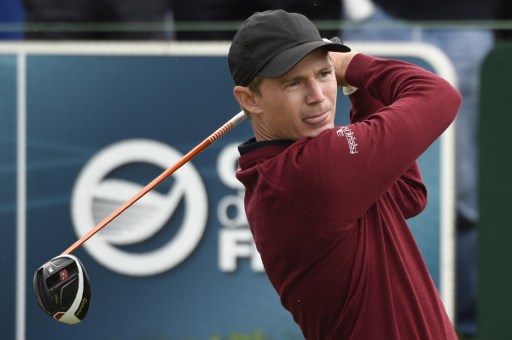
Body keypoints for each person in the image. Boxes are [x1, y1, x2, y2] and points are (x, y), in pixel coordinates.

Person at [228, 9, 461, 339]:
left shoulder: (277, 172)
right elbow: (439, 95)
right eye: (293, 82)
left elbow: (407, 194)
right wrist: (353, 66)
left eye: (324, 74)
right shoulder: (309, 172)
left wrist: (357, 90)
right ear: (249, 99)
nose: (318, 97)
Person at [342, 1, 494, 336]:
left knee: (461, 198)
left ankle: (462, 329)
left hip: (463, 25)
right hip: (373, 23)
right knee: (362, 194)